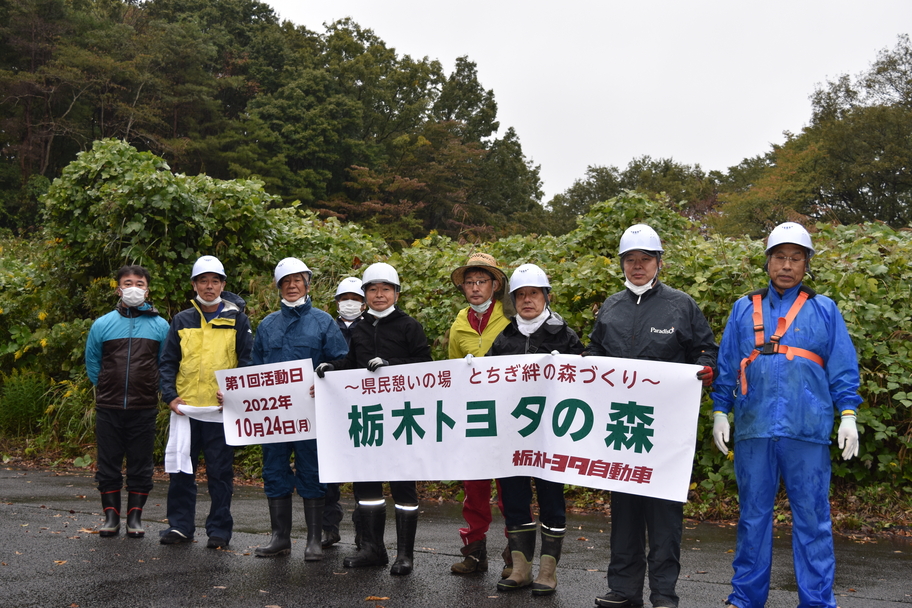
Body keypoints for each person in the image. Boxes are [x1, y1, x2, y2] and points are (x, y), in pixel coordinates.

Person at [709, 222, 861, 608]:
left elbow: (842, 368)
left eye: (796, 258)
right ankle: (744, 598)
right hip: (754, 429)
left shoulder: (824, 309)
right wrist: (720, 411)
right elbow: (726, 365)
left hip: (805, 429)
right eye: (780, 257)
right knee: (752, 519)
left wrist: (848, 414)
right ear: (768, 262)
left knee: (813, 521)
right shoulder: (744, 308)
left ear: (806, 264)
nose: (787, 265)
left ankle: (817, 602)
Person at [588, 224, 718, 608]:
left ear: (659, 262)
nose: (638, 266)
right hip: (622, 426)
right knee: (624, 509)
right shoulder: (611, 306)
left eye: (645, 259)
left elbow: (705, 350)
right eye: (631, 260)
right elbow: (594, 349)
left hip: (665, 430)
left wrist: (706, 369)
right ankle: (624, 590)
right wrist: (589, 366)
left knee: (664, 515)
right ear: (622, 264)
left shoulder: (681, 305)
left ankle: (664, 594)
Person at [315, 262, 432, 575]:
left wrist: (391, 363)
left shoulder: (409, 326)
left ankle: (404, 555)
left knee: (403, 487)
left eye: (385, 289)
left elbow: (425, 364)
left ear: (396, 293)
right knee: (366, 485)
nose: (379, 295)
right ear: (365, 294)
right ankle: (372, 549)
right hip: (368, 419)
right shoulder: (361, 327)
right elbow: (353, 362)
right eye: (372, 289)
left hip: (402, 419)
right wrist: (333, 368)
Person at [488, 263, 585, 596]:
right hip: (513, 433)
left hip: (551, 434)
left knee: (551, 498)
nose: (527, 300)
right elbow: (486, 382)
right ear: (513, 300)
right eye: (520, 295)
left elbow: (586, 381)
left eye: (533, 293)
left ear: (547, 296)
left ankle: (548, 571)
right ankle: (520, 568)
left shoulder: (565, 335)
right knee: (514, 498)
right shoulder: (505, 337)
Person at [251, 258, 348, 560]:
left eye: (298, 281)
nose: (292, 286)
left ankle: (314, 540)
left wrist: (326, 375)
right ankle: (280, 537)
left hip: (312, 414)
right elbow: (253, 371)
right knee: (274, 469)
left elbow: (341, 361)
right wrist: (232, 395)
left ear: (308, 284)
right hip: (276, 416)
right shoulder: (267, 325)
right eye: (286, 281)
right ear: (278, 286)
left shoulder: (323, 322)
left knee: (312, 471)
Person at [159, 255, 253, 548]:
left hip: (220, 412)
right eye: (203, 281)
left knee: (220, 473)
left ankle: (219, 530)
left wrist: (236, 394)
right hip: (186, 410)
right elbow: (167, 362)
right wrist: (170, 397)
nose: (209, 286)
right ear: (194, 284)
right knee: (180, 470)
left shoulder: (237, 318)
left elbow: (247, 361)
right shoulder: (181, 319)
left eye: (215, 281)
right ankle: (180, 526)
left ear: (223, 285)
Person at [85, 265, 170, 538]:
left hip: (143, 407)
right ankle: (111, 517)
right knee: (108, 462)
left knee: (141, 463)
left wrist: (151, 388)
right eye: (128, 282)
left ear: (148, 289)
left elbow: (164, 364)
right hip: (108, 407)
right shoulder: (102, 323)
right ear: (118, 288)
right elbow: (93, 362)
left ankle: (135, 518)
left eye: (140, 283)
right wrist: (108, 385)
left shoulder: (160, 325)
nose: (134, 287)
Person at [447, 253, 514, 577]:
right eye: (469, 282)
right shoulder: (459, 323)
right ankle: (474, 553)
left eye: (481, 281)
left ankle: (516, 554)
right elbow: (452, 374)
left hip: (509, 417)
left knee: (509, 490)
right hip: (473, 418)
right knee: (474, 488)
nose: (475, 288)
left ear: (495, 284)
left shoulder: (511, 318)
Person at [321, 276, 366, 549]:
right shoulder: (327, 326)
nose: (350, 303)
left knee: (362, 473)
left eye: (356, 298)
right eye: (345, 298)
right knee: (329, 470)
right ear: (337, 302)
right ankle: (329, 527)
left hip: (364, 407)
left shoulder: (372, 326)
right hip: (331, 406)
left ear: (363, 302)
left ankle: (364, 533)